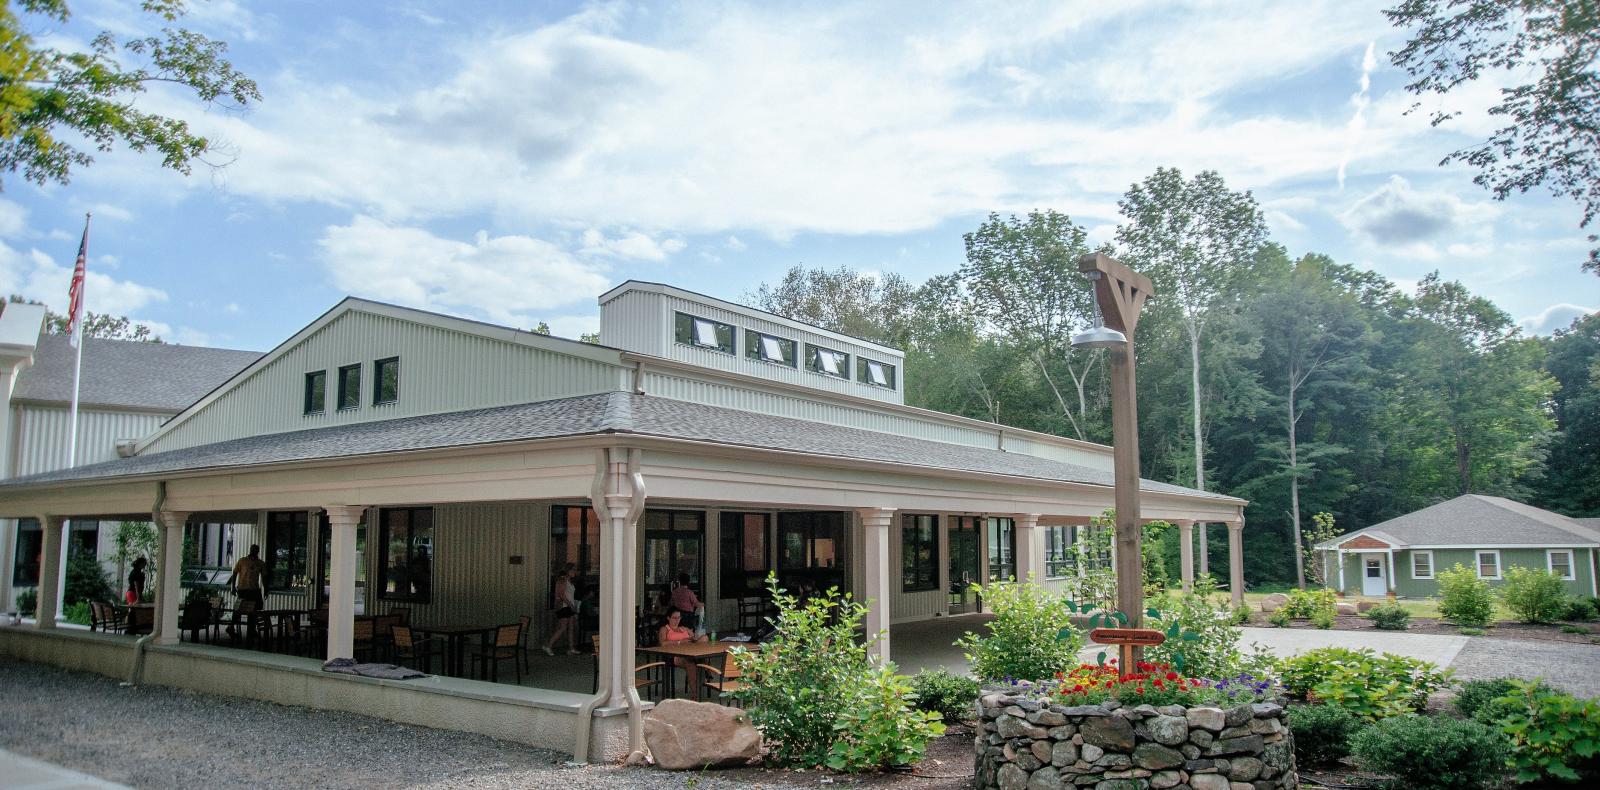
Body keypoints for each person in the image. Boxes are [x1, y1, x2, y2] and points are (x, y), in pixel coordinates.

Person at [657, 606, 708, 698]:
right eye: (674, 618)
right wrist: (680, 642)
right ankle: (695, 693)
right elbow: (663, 643)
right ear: (668, 618)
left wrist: (693, 638)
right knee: (690, 662)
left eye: (679, 618)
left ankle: (703, 678)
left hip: (690, 651)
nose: (677, 620)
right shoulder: (665, 629)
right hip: (674, 655)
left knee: (704, 639)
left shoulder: (683, 628)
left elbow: (695, 638)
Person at [229, 545, 267, 639]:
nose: (253, 551)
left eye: (255, 550)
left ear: (258, 551)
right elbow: (234, 573)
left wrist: (266, 589)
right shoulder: (242, 561)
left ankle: (252, 629)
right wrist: (233, 587)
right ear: (250, 550)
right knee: (238, 608)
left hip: (254, 590)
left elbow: (264, 578)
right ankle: (231, 626)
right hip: (243, 589)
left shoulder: (260, 563)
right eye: (252, 550)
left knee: (254, 609)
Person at [543, 563, 579, 655]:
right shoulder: (562, 580)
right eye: (573, 570)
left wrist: (573, 605)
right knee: (562, 627)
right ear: (568, 571)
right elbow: (561, 595)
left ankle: (571, 648)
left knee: (571, 628)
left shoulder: (570, 581)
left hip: (569, 606)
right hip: (564, 606)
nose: (575, 572)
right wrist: (570, 605)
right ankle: (548, 645)